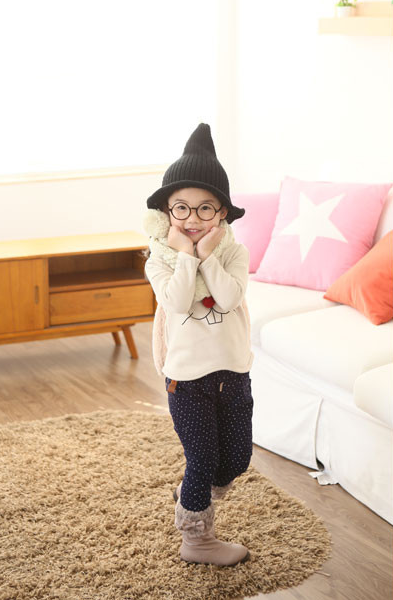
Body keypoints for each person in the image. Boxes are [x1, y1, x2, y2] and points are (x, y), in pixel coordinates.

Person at [143, 123, 254, 566]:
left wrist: (208, 255)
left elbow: (227, 297)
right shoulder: (159, 260)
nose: (192, 219)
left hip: (233, 372)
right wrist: (187, 256)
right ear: (166, 213)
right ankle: (196, 539)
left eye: (205, 208)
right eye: (181, 208)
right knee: (203, 457)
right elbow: (175, 300)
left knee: (236, 460)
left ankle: (192, 493)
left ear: (222, 213)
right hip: (187, 380)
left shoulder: (234, 254)